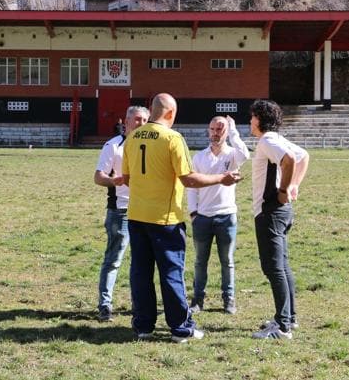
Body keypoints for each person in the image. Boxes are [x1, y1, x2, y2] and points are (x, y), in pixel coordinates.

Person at [122, 93, 242, 343]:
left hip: (136, 216)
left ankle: (143, 326)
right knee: (171, 273)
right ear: (170, 113)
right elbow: (188, 178)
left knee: (140, 273)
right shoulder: (172, 138)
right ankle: (180, 328)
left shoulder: (132, 138)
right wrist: (222, 178)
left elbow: (128, 178)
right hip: (165, 218)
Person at [248, 100, 309, 340]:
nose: (250, 121)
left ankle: (282, 326)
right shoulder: (276, 139)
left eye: (252, 117)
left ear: (260, 118)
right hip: (279, 212)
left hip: (270, 211)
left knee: (273, 268)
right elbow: (304, 156)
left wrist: (285, 190)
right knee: (281, 266)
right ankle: (289, 318)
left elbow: (291, 160)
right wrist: (294, 185)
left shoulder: (267, 140)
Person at [187, 115, 250, 315]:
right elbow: (191, 187)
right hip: (203, 217)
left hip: (226, 215)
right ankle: (198, 299)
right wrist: (193, 212)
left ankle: (228, 299)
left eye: (220, 129)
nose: (215, 133)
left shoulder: (232, 155)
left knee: (227, 261)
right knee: (199, 261)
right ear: (208, 130)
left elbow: (245, 154)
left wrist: (233, 131)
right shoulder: (199, 157)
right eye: (213, 128)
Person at [94, 106, 150, 322]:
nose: (141, 123)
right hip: (121, 211)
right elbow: (98, 177)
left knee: (142, 261)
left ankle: (139, 304)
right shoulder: (113, 146)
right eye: (137, 119)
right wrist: (113, 181)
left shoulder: (149, 145)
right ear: (125, 122)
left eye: (145, 119)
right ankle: (105, 305)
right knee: (114, 259)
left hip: (145, 209)